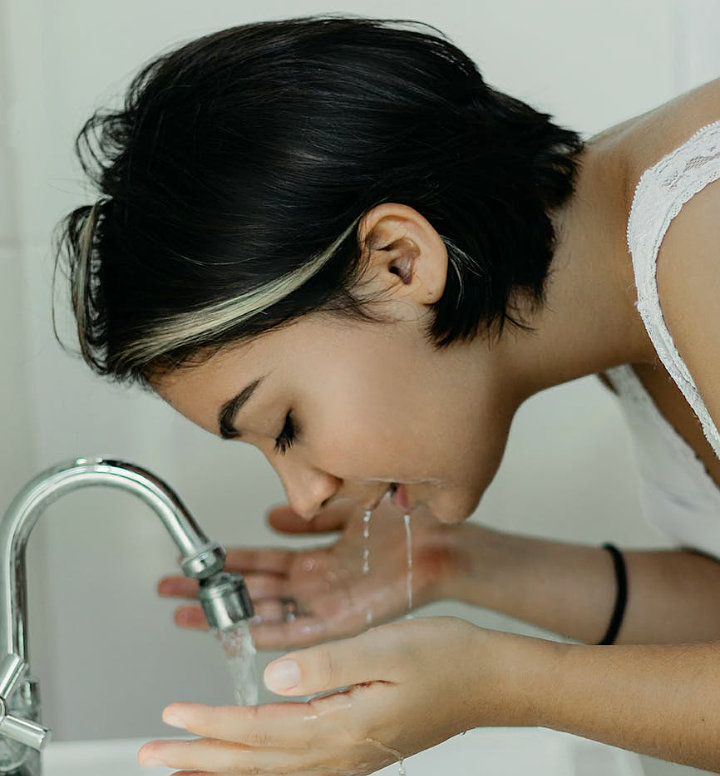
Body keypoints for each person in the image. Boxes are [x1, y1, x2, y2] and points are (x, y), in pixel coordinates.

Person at [54, 14, 720, 774]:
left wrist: (503, 684)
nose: (308, 496)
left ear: (399, 263)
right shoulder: (622, 283)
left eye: (286, 424)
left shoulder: (708, 223)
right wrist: (456, 565)